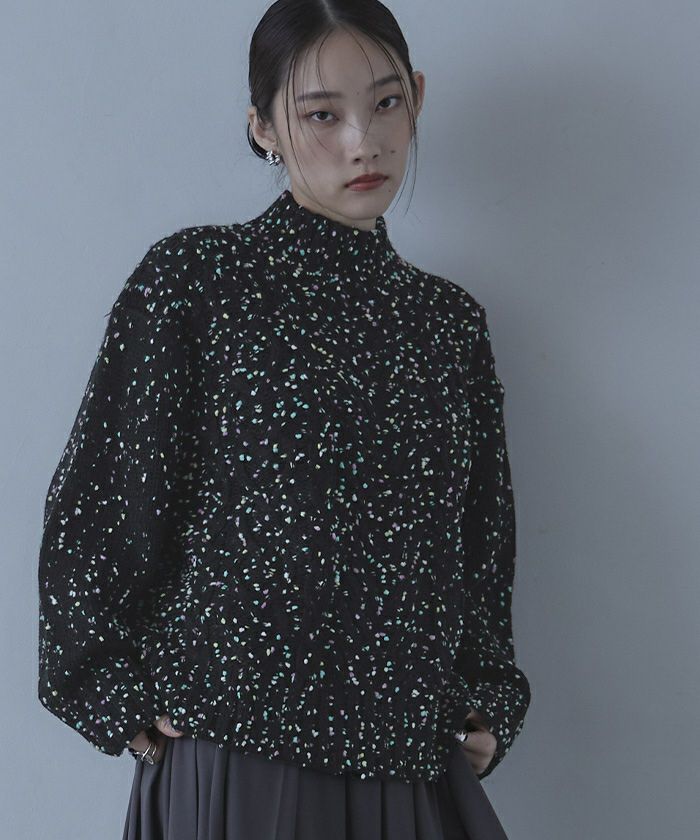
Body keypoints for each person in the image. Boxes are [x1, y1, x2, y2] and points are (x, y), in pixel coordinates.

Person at [37, 1, 531, 837]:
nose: (363, 143)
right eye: (321, 115)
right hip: (240, 757)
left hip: (409, 757)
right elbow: (103, 506)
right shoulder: (197, 279)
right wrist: (114, 695)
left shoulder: (448, 325)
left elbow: (479, 541)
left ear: (416, 97)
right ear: (262, 128)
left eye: (385, 103)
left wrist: (487, 698)